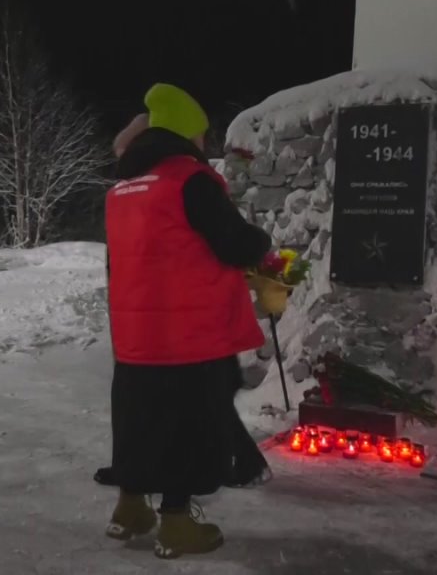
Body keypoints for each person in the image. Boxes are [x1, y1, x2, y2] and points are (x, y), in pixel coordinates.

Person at [104, 83, 272, 559]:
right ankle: (176, 524)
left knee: (139, 422)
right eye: (201, 135)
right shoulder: (189, 179)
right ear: (186, 133)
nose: (204, 145)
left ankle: (129, 509)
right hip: (190, 335)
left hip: (137, 335)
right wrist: (261, 242)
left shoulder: (122, 189)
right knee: (190, 426)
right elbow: (235, 243)